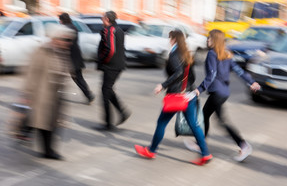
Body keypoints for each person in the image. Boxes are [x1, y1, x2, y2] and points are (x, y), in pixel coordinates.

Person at [134, 30, 212, 166]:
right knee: (194, 124)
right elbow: (191, 76)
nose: (169, 40)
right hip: (189, 95)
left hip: (177, 96)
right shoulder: (187, 53)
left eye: (170, 38)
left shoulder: (175, 54)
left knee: (161, 123)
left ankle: (151, 150)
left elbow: (178, 72)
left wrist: (163, 85)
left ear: (174, 39)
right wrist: (190, 88)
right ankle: (205, 153)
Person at [186, 29, 260, 162]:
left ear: (215, 40)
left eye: (209, 38)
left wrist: (199, 89)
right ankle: (201, 143)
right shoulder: (226, 54)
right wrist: (251, 82)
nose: (207, 40)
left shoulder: (212, 54)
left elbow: (212, 75)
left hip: (217, 93)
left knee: (215, 119)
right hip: (223, 92)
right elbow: (239, 71)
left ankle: (242, 144)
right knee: (209, 117)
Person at [22, 24, 75, 160]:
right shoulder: (43, 51)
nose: (68, 43)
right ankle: (47, 150)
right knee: (44, 123)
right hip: (42, 94)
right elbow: (31, 72)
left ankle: (29, 133)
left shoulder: (63, 52)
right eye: (65, 40)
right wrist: (27, 93)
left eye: (69, 40)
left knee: (52, 123)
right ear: (55, 39)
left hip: (56, 94)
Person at [97, 11, 131, 130]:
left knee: (105, 92)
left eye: (102, 18)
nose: (101, 20)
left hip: (111, 66)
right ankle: (122, 112)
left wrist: (103, 60)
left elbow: (110, 50)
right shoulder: (118, 29)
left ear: (107, 19)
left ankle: (108, 123)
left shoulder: (109, 30)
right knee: (108, 90)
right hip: (117, 65)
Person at [59, 13, 95, 104]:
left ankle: (89, 95)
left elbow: (65, 44)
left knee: (65, 77)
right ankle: (89, 95)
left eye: (60, 20)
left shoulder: (66, 29)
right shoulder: (73, 27)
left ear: (63, 20)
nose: (59, 21)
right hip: (76, 56)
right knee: (79, 78)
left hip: (70, 58)